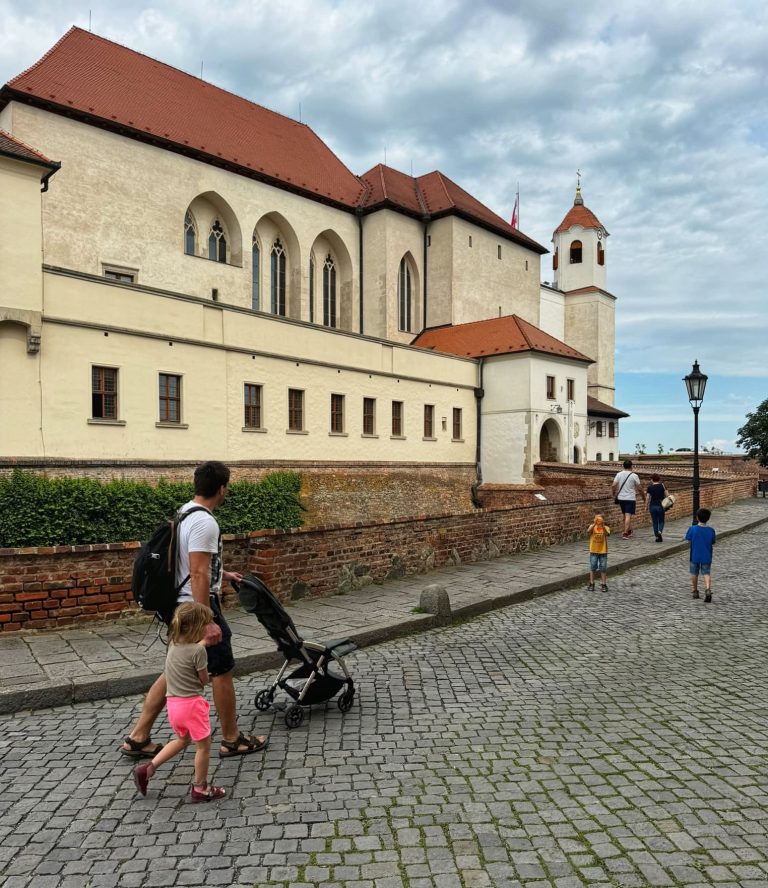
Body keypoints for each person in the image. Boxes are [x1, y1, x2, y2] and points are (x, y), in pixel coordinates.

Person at [121, 461, 267, 760]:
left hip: (180, 606)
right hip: (195, 608)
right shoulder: (206, 522)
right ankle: (232, 738)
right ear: (222, 488)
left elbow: (188, 563)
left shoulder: (185, 511)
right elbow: (198, 573)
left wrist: (224, 575)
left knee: (174, 670)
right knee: (222, 670)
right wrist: (207, 620)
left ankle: (138, 737)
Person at [133, 602, 226, 802]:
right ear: (197, 627)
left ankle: (148, 768)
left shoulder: (173, 643)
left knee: (182, 740)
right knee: (203, 747)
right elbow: (203, 679)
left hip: (173, 705)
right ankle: (200, 787)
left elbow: (189, 652)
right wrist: (205, 672)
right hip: (192, 705)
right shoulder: (199, 653)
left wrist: (202, 644)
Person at [685, 507, 716, 603]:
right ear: (708, 518)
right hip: (706, 555)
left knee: (694, 573)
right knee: (706, 573)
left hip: (694, 555)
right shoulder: (711, 530)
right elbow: (713, 541)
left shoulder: (692, 529)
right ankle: (707, 589)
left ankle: (695, 591)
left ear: (697, 518)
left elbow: (688, 539)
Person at [612, 459, 645, 539]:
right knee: (628, 515)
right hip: (630, 498)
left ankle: (629, 531)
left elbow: (613, 485)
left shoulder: (619, 474)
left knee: (625, 515)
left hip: (621, 498)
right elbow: (640, 488)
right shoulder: (634, 476)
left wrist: (613, 494)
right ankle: (625, 533)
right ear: (631, 466)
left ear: (623, 466)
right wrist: (643, 497)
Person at [587, 514, 611, 592]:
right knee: (593, 567)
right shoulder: (592, 527)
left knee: (603, 568)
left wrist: (603, 526)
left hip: (603, 551)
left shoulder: (606, 527)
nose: (598, 521)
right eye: (597, 519)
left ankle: (603, 584)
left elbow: (607, 534)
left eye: (600, 519)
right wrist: (594, 524)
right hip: (593, 551)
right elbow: (588, 531)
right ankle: (591, 583)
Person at [646, 473, 668, 542]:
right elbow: (667, 495)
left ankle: (657, 537)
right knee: (661, 521)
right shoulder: (662, 486)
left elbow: (647, 498)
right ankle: (659, 532)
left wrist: (646, 506)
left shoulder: (649, 487)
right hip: (661, 505)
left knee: (655, 522)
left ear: (652, 479)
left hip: (652, 505)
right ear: (659, 479)